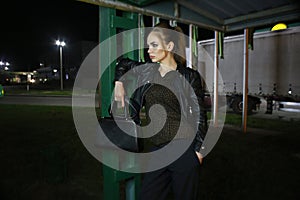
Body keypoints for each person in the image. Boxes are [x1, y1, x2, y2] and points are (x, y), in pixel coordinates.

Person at [114, 21, 207, 200]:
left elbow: (199, 114)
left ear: (170, 46)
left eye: (154, 45)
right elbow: (123, 64)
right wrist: (119, 83)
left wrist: (199, 150)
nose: (149, 50)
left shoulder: (189, 76)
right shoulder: (147, 71)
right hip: (158, 149)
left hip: (183, 148)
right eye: (148, 45)